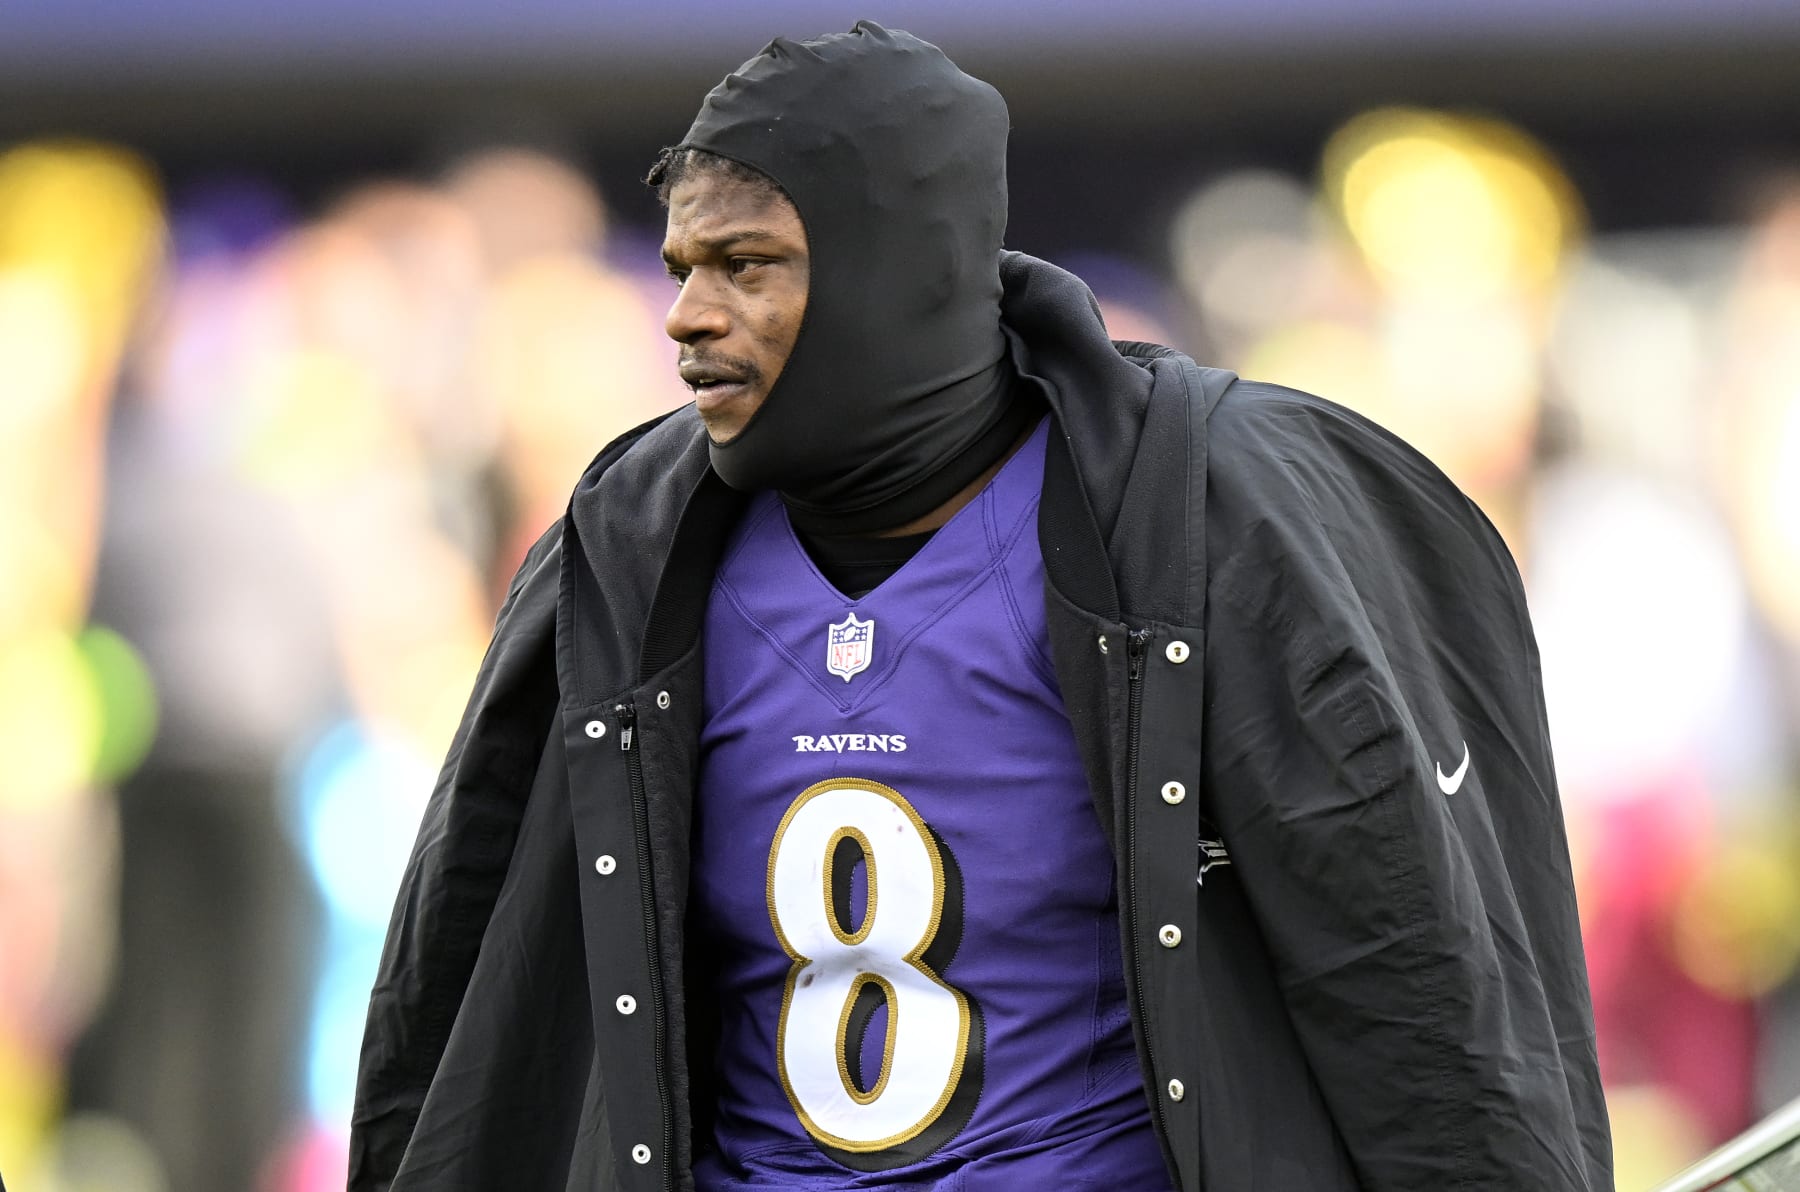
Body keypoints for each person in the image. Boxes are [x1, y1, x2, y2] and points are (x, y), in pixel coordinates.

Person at [350, 22, 1612, 1191]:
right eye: (683, 267)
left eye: (746, 265)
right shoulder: (630, 550)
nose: (687, 317)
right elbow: (463, 992)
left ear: (900, 271)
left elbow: (1414, 984)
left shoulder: (1202, 515)